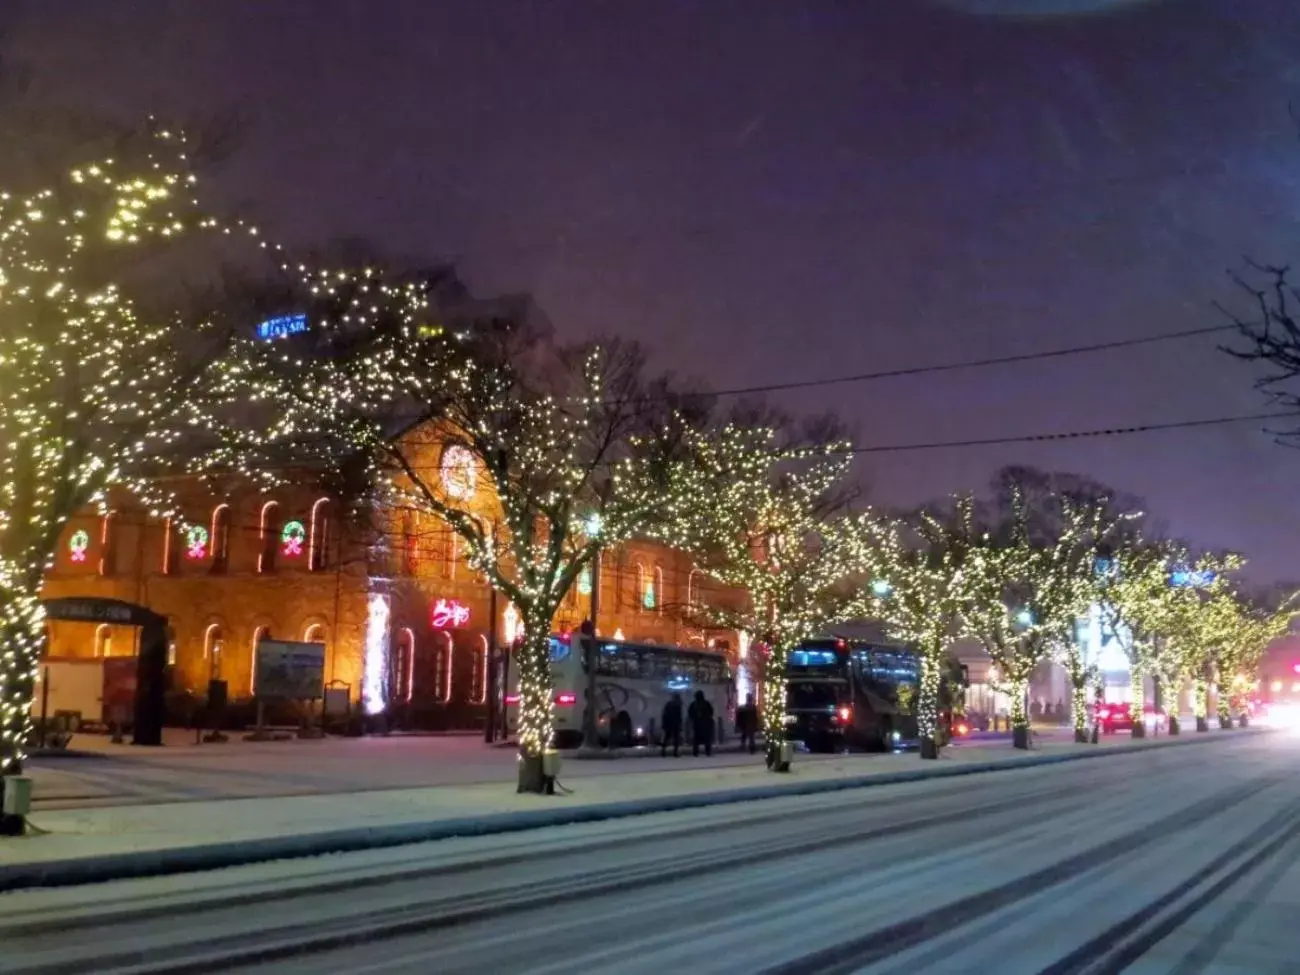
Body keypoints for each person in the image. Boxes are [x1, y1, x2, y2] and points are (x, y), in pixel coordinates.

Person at [688, 689, 715, 757]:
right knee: (706, 739)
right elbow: (711, 712)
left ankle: (696, 752)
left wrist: (695, 717)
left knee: (697, 739)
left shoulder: (694, 704)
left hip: (697, 724)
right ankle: (707, 751)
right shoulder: (706, 703)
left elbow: (690, 713)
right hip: (705, 724)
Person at [661, 692, 683, 757]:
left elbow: (664, 715)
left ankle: (663, 751)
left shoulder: (669, 704)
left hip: (668, 724)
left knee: (667, 738)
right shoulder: (678, 705)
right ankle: (675, 752)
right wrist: (680, 724)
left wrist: (664, 724)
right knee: (676, 739)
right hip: (675, 724)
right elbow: (679, 716)